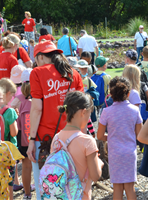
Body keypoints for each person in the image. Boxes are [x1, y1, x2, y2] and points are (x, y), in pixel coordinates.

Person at [26, 40, 83, 199]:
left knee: (46, 185)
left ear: (40, 57)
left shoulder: (37, 73)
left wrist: (31, 139)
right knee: (71, 184)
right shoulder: (73, 73)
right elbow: (82, 109)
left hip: (45, 138)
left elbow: (37, 109)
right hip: (72, 138)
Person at [97, 77, 143, 199]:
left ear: (111, 95)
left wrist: (112, 137)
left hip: (114, 154)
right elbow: (140, 135)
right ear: (128, 93)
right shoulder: (135, 110)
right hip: (130, 153)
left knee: (117, 188)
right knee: (130, 188)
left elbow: (100, 135)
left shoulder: (106, 112)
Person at [54, 91, 103, 199]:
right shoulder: (87, 141)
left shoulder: (56, 138)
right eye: (89, 114)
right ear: (83, 112)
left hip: (61, 195)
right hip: (80, 195)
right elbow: (95, 176)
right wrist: (99, 163)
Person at [13, 68, 34, 199]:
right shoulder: (39, 98)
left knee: (26, 167)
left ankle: (27, 194)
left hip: (23, 136)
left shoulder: (18, 99)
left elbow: (10, 111)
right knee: (40, 164)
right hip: (38, 135)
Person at [0, 78, 18, 200]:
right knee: (9, 179)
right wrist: (16, 118)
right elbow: (14, 132)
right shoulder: (9, 111)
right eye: (12, 95)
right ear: (8, 93)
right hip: (8, 151)